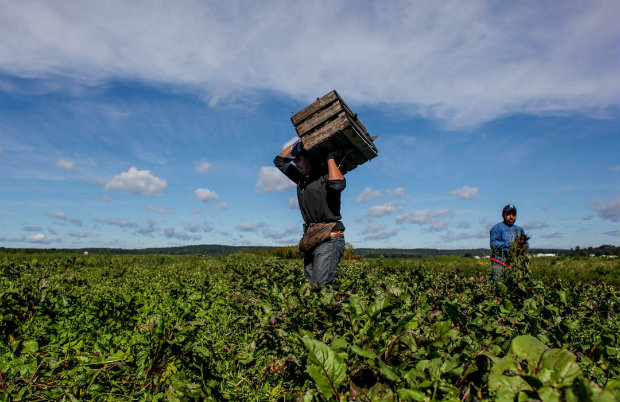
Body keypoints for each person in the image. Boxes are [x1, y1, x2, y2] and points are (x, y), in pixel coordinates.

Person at [274, 140, 346, 289]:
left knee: (318, 286)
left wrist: (330, 158)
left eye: (299, 160)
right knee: (311, 288)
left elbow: (338, 184)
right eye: (295, 162)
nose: (296, 165)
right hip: (311, 236)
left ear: (310, 159)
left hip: (329, 237)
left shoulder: (324, 176)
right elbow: (280, 161)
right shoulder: (301, 179)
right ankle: (336, 303)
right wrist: (299, 144)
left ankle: (341, 305)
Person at [489, 204, 528, 281]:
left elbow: (526, 244)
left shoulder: (519, 229)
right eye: (508, 214)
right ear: (504, 215)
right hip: (499, 261)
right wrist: (508, 244)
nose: (511, 217)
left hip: (514, 263)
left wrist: (523, 248)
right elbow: (493, 244)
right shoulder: (498, 228)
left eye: (513, 215)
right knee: (499, 283)